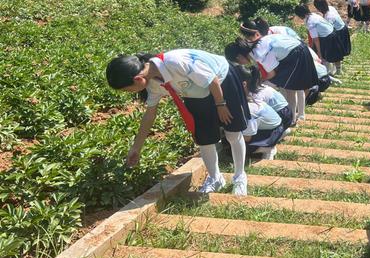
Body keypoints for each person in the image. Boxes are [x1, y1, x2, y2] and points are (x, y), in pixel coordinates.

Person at [105, 50, 250, 195]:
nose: (129, 93)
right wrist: (136, 148)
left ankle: (239, 177)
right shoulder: (152, 84)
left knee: (232, 132)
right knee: (204, 139)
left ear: (138, 79)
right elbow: (150, 115)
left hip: (222, 81)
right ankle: (215, 178)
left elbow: (212, 80)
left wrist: (220, 105)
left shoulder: (175, 62)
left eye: (127, 90)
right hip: (194, 92)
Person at [225, 33, 318, 126]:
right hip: (294, 50)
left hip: (296, 53)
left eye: (238, 63)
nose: (242, 65)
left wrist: (258, 82)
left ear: (239, 57)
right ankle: (292, 118)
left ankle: (291, 120)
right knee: (289, 88)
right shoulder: (253, 46)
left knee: (290, 88)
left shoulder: (258, 53)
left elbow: (271, 74)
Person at [234, 65, 285, 161]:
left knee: (236, 146)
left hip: (274, 130)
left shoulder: (249, 109)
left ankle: (267, 147)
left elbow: (247, 138)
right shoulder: (250, 97)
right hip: (277, 124)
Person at [294, 5, 345, 71]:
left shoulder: (310, 22)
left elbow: (316, 39)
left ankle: (328, 71)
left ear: (300, 15)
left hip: (327, 37)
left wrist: (319, 52)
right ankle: (337, 69)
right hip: (332, 33)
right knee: (334, 54)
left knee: (326, 55)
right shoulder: (313, 15)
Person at [247, 65, 293, 129]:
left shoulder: (258, 94)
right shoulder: (262, 86)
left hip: (283, 115)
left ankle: (280, 130)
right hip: (287, 111)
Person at [313, 0, 351, 72]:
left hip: (339, 32)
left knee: (336, 51)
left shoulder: (328, 17)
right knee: (339, 50)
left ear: (319, 8)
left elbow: (328, 32)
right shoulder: (330, 8)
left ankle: (338, 70)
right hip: (343, 28)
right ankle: (338, 66)